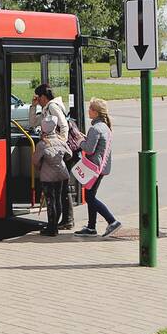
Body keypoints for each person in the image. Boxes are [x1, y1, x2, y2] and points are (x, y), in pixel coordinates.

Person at [29, 84, 73, 229]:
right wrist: (33, 107)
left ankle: (66, 219)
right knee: (60, 190)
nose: (37, 100)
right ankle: (65, 220)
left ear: (43, 96)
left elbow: (64, 125)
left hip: (57, 151)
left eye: (38, 97)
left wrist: (59, 143)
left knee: (60, 191)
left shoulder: (52, 106)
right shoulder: (46, 108)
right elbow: (32, 123)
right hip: (56, 151)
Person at [74, 98, 121, 238]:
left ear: (95, 112)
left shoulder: (95, 128)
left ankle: (112, 221)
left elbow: (89, 149)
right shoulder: (105, 127)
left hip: (93, 168)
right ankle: (91, 227)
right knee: (90, 196)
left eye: (90, 108)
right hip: (101, 167)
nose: (88, 110)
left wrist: (80, 141)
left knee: (90, 197)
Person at [33, 113, 71, 237]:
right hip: (62, 174)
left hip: (47, 177)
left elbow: (35, 161)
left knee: (50, 201)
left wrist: (41, 167)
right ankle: (55, 226)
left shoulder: (42, 145)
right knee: (58, 199)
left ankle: (51, 227)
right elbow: (69, 154)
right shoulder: (61, 141)